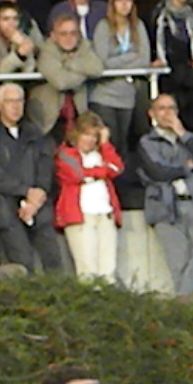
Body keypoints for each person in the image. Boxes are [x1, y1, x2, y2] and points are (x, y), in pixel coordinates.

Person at [137, 92, 193, 301]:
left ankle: (185, 298)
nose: (168, 113)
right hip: (164, 205)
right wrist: (187, 167)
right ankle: (190, 304)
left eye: (171, 108)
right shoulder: (147, 141)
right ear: (152, 113)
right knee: (178, 260)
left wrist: (182, 133)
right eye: (162, 108)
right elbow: (157, 172)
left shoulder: (188, 139)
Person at [0, 82, 70, 274]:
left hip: (37, 204)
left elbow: (45, 165)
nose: (16, 106)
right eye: (11, 102)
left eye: (19, 101)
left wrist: (38, 195)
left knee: (53, 259)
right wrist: (26, 191)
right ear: (0, 104)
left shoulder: (34, 132)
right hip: (4, 206)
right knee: (23, 263)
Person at [53, 111, 123, 281]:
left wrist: (105, 145)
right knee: (87, 271)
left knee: (108, 271)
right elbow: (77, 174)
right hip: (81, 217)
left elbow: (117, 168)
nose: (90, 140)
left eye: (94, 135)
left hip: (105, 215)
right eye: (86, 134)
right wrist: (102, 172)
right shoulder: (65, 153)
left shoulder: (102, 153)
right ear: (77, 133)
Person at [87, 0, 151, 152]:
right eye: (120, 0)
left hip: (127, 96)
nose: (125, 4)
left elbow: (144, 59)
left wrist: (120, 61)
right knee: (109, 143)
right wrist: (131, 57)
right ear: (112, 3)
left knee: (123, 146)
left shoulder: (138, 26)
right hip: (104, 96)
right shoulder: (104, 26)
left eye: (129, 0)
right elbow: (103, 62)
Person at [33, 11, 103, 137]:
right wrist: (84, 73)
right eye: (63, 34)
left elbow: (97, 68)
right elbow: (61, 82)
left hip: (78, 117)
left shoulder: (84, 46)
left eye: (73, 33)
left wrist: (70, 64)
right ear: (54, 36)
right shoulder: (47, 51)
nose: (69, 38)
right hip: (51, 121)